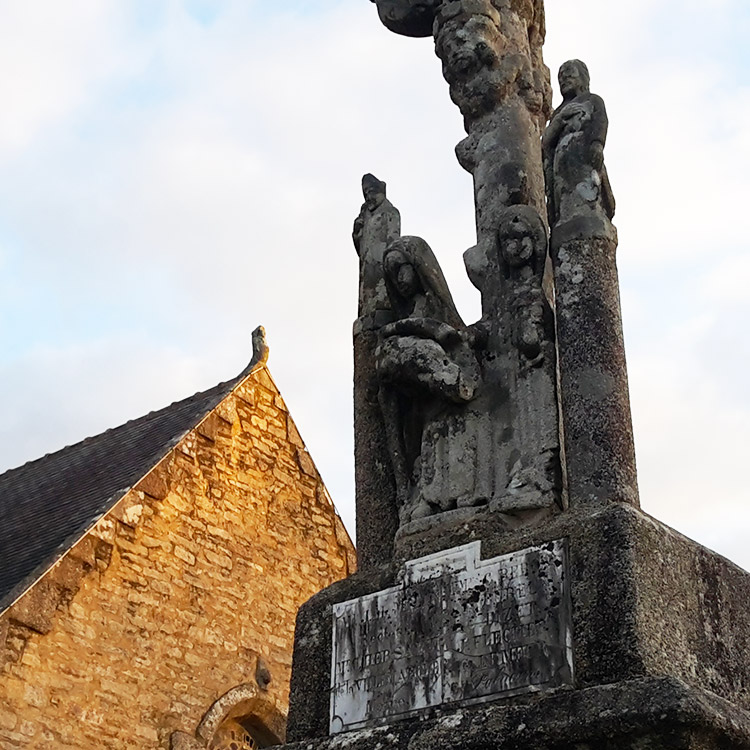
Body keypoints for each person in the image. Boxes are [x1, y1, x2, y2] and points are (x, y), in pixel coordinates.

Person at [542, 59, 615, 229]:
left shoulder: (593, 100)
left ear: (582, 78)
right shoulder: (558, 113)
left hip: (584, 155)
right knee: (563, 194)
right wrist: (559, 120)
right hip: (562, 162)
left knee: (588, 191)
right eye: (560, 78)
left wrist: (597, 143)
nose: (564, 79)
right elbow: (546, 142)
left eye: (569, 74)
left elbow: (600, 122)